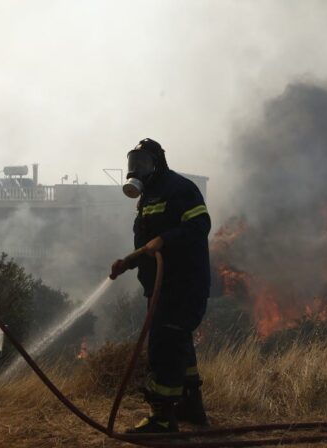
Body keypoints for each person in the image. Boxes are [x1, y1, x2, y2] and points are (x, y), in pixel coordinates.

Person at [110, 138, 211, 433]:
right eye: (133, 162)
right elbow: (146, 245)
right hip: (161, 287)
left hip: (183, 285)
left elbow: (200, 225)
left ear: (158, 163)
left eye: (142, 162)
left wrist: (165, 240)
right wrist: (128, 262)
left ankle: (162, 418)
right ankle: (191, 405)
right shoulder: (148, 198)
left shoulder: (179, 189)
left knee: (163, 348)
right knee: (179, 342)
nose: (136, 169)